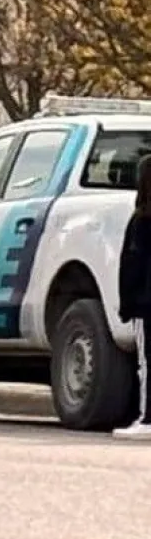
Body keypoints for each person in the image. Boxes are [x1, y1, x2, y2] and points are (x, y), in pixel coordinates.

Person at [115, 155, 151, 440]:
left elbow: (131, 266)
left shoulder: (141, 220)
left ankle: (148, 417)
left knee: (147, 361)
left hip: (146, 303)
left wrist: (127, 304)